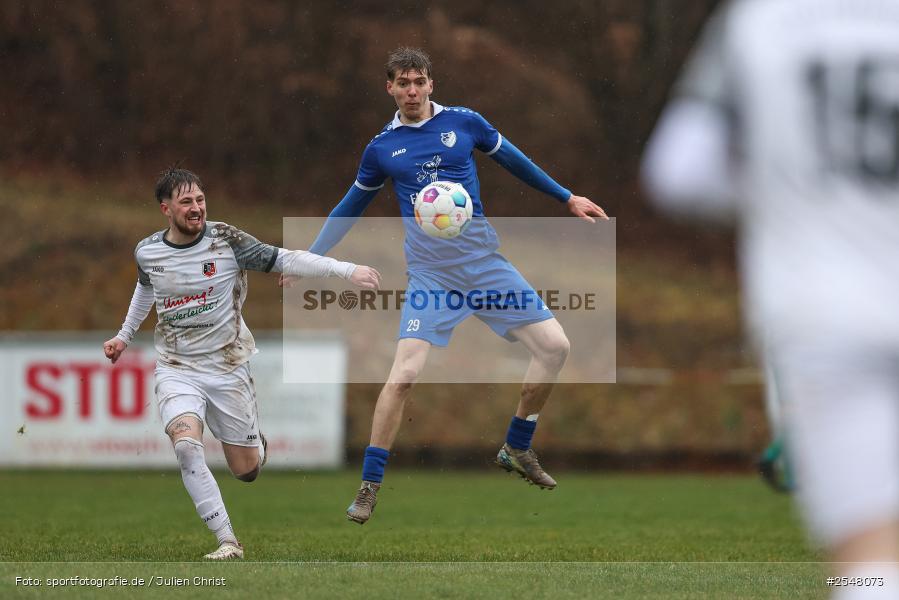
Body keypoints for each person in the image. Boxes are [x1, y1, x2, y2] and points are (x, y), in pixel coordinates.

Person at [284, 47, 608, 525]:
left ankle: (517, 446)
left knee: (555, 348)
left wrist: (565, 197)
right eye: (403, 83)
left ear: (431, 84)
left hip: (485, 265)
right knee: (405, 375)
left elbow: (515, 160)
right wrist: (310, 257)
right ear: (389, 88)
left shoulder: (465, 122)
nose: (412, 90)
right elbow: (349, 205)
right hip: (432, 278)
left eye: (419, 81)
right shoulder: (382, 149)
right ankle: (370, 486)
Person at [642, 0, 899, 595]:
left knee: (869, 563)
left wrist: (795, 202)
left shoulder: (759, 20)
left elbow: (679, 172)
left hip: (823, 309)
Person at [103, 167, 380, 559]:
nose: (196, 208)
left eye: (200, 199)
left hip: (228, 367)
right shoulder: (147, 252)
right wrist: (123, 336)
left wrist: (345, 270)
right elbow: (145, 288)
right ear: (166, 209)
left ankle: (255, 446)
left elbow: (285, 258)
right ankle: (228, 541)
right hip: (177, 368)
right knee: (185, 447)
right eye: (186, 202)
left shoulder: (227, 241)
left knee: (246, 471)